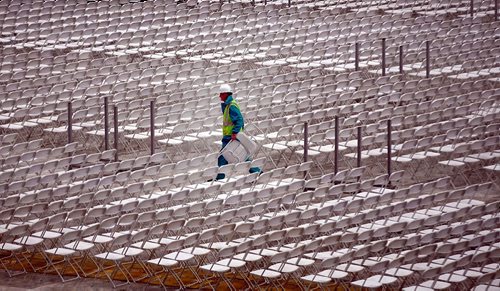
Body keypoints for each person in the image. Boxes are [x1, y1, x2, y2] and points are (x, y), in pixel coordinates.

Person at [215, 84, 261, 180]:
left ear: (225, 94)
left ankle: (219, 178)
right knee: (243, 157)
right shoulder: (229, 104)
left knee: (222, 156)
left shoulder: (231, 106)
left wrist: (235, 133)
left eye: (221, 94)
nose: (219, 96)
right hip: (230, 136)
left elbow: (239, 120)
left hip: (231, 136)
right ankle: (257, 171)